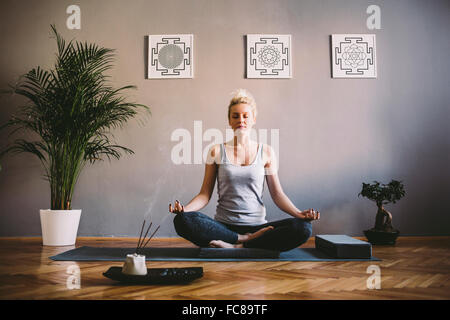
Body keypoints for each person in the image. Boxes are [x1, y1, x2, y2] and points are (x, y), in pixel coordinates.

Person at [169, 89, 320, 252]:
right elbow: (205, 195)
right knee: (182, 220)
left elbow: (277, 195)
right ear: (229, 120)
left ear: (253, 119)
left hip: (258, 227)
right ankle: (243, 240)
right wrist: (185, 210)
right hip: (223, 227)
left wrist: (299, 214)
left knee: (303, 228)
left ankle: (237, 246)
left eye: (245, 116)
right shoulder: (216, 151)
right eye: (235, 116)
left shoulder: (266, 152)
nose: (241, 120)